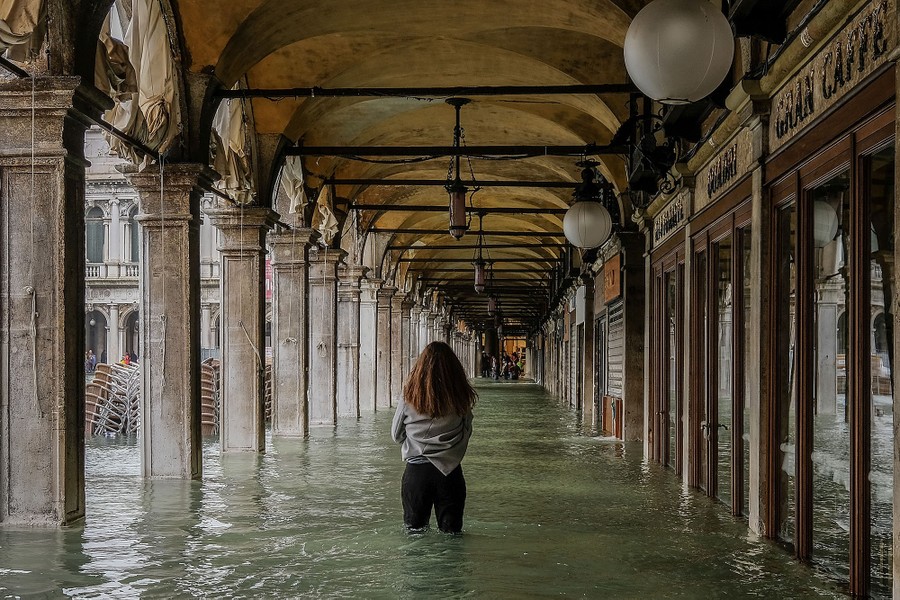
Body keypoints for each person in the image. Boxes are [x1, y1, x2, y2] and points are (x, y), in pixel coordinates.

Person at [391, 341, 476, 534]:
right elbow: (467, 431)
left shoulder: (409, 396)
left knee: (415, 534)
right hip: (450, 473)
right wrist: (450, 451)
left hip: (416, 473)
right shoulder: (461, 397)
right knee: (452, 535)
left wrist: (417, 443)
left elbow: (396, 435)